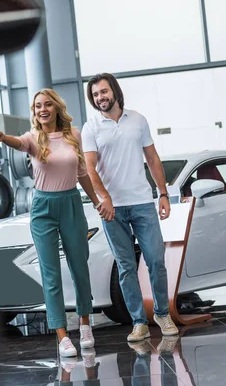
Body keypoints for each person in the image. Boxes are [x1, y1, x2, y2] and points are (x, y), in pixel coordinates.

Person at [0, 89, 102, 357]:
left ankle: (85, 323)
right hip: (43, 209)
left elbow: (83, 173)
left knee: (79, 267)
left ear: (56, 108)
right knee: (50, 274)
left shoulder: (74, 135)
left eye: (47, 104)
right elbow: (18, 143)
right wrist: (3, 138)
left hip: (72, 204)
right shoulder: (32, 138)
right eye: (38, 105)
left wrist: (97, 201)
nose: (42, 109)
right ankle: (61, 335)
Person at [81, 72, 179, 342]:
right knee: (126, 267)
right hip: (112, 210)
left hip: (142, 203)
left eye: (104, 91)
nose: (100, 97)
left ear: (115, 91)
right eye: (95, 94)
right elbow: (89, 168)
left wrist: (163, 194)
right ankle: (139, 322)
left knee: (156, 261)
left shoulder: (138, 120)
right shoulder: (91, 128)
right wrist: (105, 198)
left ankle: (161, 313)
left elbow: (153, 158)